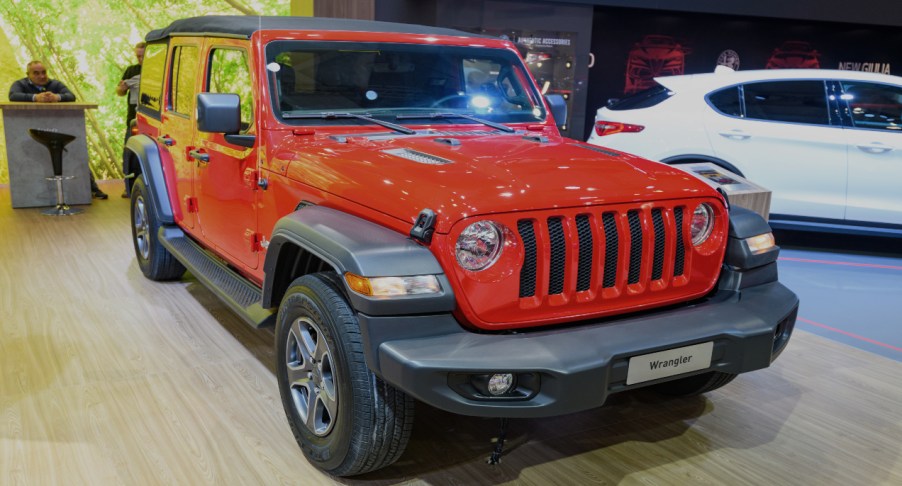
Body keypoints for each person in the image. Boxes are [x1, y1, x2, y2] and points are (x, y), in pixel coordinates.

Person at [9, 61, 108, 199]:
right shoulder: (20, 84)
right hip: (33, 132)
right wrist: (35, 98)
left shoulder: (55, 84)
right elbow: (13, 96)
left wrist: (57, 97)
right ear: (28, 75)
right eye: (36, 73)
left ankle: (90, 188)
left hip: (60, 129)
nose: (42, 76)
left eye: (44, 72)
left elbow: (71, 96)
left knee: (78, 155)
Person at [116, 42, 145, 198]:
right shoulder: (131, 70)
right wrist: (122, 88)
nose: (139, 59)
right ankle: (129, 187)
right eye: (137, 56)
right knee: (130, 152)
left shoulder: (159, 70)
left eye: (142, 55)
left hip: (153, 117)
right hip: (133, 117)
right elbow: (120, 92)